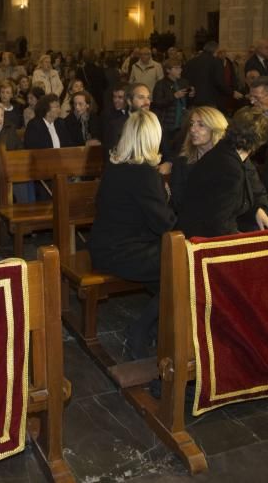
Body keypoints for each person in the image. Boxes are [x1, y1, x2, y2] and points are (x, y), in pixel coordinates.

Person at [88, 110, 175, 358]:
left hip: (105, 246)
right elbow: (164, 224)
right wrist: (168, 198)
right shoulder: (145, 174)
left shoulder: (116, 166)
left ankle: (158, 329)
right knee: (183, 268)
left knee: (168, 276)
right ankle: (138, 330)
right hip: (122, 252)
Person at [177, 108, 268, 238]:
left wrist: (256, 210)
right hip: (201, 240)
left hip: (203, 231)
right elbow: (219, 223)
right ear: (259, 142)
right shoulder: (231, 168)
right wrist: (240, 239)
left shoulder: (223, 152)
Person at [168, 106, 228, 213]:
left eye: (201, 125)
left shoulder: (229, 160)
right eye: (192, 124)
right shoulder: (181, 162)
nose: (192, 129)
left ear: (215, 129)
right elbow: (178, 201)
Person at [183, 40, 235, 108]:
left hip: (193, 100)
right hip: (210, 101)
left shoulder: (190, 62)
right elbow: (219, 82)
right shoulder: (216, 62)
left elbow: (185, 80)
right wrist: (231, 92)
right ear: (215, 51)